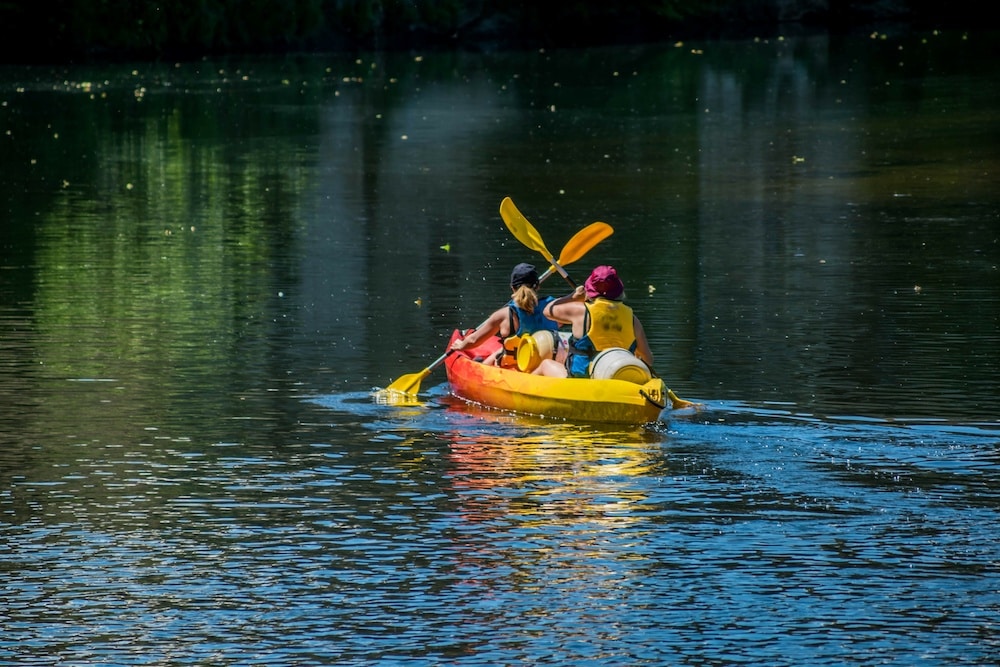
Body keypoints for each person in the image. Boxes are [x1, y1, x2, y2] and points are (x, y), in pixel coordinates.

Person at [534, 265, 654, 378]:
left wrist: (572, 297)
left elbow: (547, 311)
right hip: (619, 377)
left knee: (546, 364)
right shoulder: (632, 318)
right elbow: (647, 358)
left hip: (581, 379)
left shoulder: (580, 311)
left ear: (590, 290)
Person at [450, 263, 560, 366]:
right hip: (546, 365)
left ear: (512, 287)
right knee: (499, 351)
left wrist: (460, 345)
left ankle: (481, 367)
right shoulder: (554, 307)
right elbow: (574, 301)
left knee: (501, 352)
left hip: (515, 367)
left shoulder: (503, 315)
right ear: (537, 286)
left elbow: (473, 341)